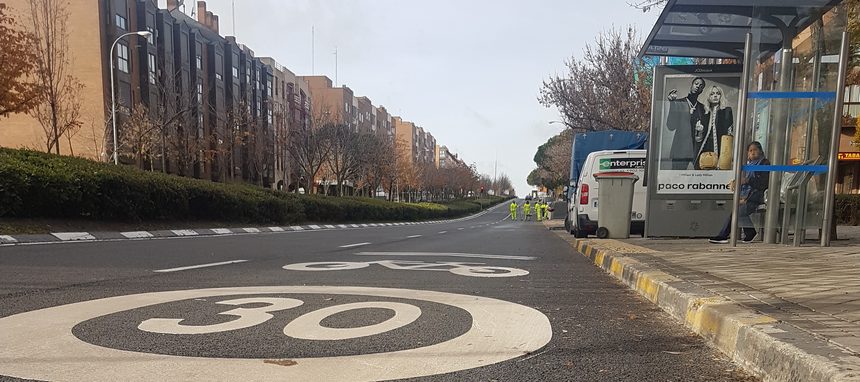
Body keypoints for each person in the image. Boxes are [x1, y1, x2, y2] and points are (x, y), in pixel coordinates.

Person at [709, 141, 770, 244]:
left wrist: (747, 181)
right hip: (748, 195)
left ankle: (724, 235)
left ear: (760, 151)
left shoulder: (764, 163)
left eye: (755, 150)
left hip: (758, 196)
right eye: (750, 151)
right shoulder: (748, 166)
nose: (753, 152)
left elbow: (763, 183)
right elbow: (743, 180)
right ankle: (749, 233)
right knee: (737, 211)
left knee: (737, 212)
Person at [664, 77, 707, 170]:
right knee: (676, 180)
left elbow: (705, 131)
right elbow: (671, 126)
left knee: (699, 181)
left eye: (701, 86)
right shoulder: (679, 103)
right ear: (691, 85)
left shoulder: (702, 108)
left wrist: (701, 130)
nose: (698, 86)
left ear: (702, 90)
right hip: (680, 151)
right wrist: (672, 103)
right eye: (696, 84)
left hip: (697, 151)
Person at [698, 85, 734, 170]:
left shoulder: (727, 110)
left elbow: (729, 133)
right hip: (706, 145)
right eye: (712, 94)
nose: (715, 96)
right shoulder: (704, 111)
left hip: (721, 145)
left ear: (721, 96)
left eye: (718, 93)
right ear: (708, 96)